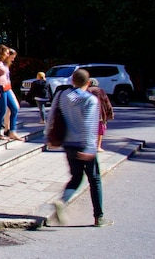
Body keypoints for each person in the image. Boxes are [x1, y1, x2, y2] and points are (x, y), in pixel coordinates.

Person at [49, 68, 112, 227]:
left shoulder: (63, 95)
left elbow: (52, 115)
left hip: (68, 143)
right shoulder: (90, 100)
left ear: (72, 81)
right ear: (89, 83)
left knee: (76, 177)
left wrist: (49, 138)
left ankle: (62, 202)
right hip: (84, 144)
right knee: (95, 179)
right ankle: (99, 217)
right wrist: (90, 149)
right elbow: (89, 124)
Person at [0, 45, 20, 140]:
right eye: (6, 52)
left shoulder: (3, 63)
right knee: (2, 110)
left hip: (6, 87)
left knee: (14, 108)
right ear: (1, 52)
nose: (8, 54)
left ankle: (12, 131)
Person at [87, 78, 114, 152]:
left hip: (88, 114)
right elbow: (107, 102)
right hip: (100, 114)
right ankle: (98, 147)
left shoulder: (86, 90)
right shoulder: (100, 91)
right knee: (100, 131)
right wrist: (110, 114)